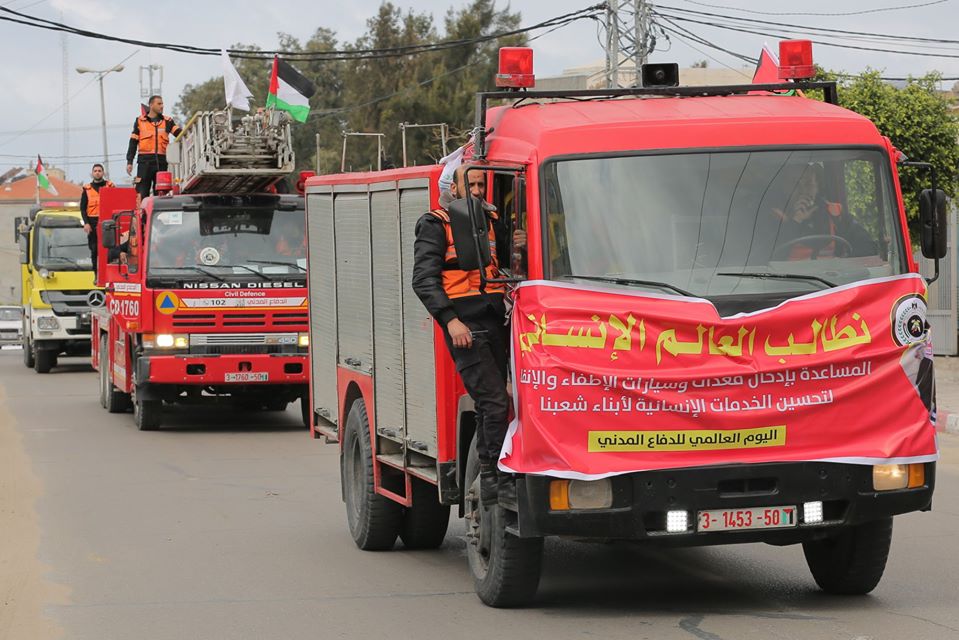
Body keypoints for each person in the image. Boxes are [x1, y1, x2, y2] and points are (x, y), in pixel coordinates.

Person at [413, 165, 512, 507]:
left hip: (496, 320)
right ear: (453, 189)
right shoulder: (434, 223)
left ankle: (496, 474)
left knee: (495, 404)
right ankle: (493, 479)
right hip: (465, 325)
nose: (478, 190)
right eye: (470, 184)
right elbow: (423, 280)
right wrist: (451, 321)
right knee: (494, 402)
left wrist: (519, 247)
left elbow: (508, 266)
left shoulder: (492, 220)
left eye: (482, 184)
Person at [772, 164, 875, 260]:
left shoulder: (835, 213)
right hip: (790, 273)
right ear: (784, 187)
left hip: (832, 273)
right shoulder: (775, 217)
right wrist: (795, 221)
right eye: (795, 184)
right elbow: (768, 256)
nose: (803, 190)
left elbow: (867, 246)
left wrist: (845, 263)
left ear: (817, 186)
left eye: (808, 184)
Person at [126, 95, 182, 204]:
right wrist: (129, 161)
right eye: (159, 104)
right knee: (142, 193)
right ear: (151, 105)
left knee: (161, 194)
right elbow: (133, 142)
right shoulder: (140, 121)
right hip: (144, 163)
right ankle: (143, 214)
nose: (162, 106)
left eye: (162, 103)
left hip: (161, 163)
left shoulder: (168, 121)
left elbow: (180, 134)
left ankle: (160, 214)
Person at [79, 163, 114, 276]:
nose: (97, 173)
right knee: (94, 250)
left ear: (103, 173)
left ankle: (108, 274)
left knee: (109, 249)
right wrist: (86, 223)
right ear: (92, 173)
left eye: (99, 171)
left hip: (107, 222)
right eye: (95, 171)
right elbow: (83, 208)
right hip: (92, 222)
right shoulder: (87, 189)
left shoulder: (110, 186)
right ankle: (96, 274)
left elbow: (116, 203)